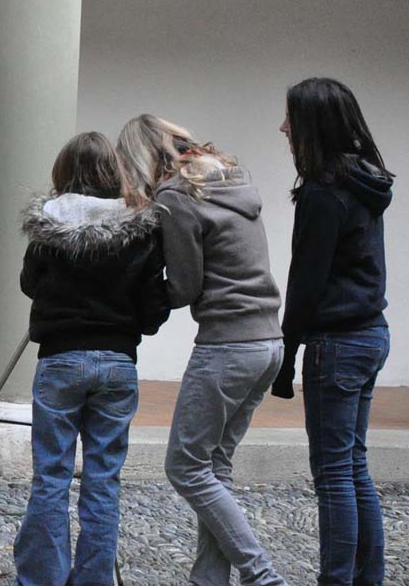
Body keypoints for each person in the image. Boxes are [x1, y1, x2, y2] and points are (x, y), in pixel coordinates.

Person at [117, 115, 290, 586]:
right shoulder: (231, 181)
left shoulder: (177, 196)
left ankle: (262, 576)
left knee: (185, 467)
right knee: (213, 465)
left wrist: (134, 292)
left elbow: (186, 286)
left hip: (227, 345)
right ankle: (208, 580)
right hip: (267, 342)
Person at [12, 132, 169, 586]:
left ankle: (43, 579)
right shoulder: (140, 226)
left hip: (60, 358)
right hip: (118, 362)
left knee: (51, 476)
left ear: (63, 171)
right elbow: (153, 313)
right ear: (114, 171)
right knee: (103, 479)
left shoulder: (49, 223)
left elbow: (29, 283)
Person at [271, 78, 393, 586]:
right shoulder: (364, 181)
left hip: (337, 345)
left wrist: (286, 355)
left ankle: (337, 580)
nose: (283, 128)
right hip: (371, 335)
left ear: (313, 125)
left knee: (334, 474)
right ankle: (368, 579)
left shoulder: (324, 193)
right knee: (353, 466)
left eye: (291, 119)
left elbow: (306, 282)